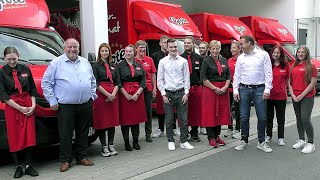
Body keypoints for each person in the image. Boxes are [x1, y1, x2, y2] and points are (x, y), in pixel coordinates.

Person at [41, 38, 97, 172]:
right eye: (69, 47)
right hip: (66, 106)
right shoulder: (56, 63)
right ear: (64, 48)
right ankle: (65, 160)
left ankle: (81, 157)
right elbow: (46, 83)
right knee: (65, 134)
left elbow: (92, 80)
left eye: (75, 47)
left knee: (83, 132)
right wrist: (52, 101)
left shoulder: (85, 62)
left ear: (79, 48)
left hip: (85, 104)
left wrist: (92, 95)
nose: (72, 49)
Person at [0, 47, 39, 178]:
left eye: (14, 58)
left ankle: (28, 165)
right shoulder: (2, 73)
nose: (12, 61)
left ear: (18, 56)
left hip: (28, 104)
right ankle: (18, 166)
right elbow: (4, 96)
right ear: (4, 58)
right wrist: (20, 108)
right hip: (13, 107)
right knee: (14, 136)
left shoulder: (26, 69)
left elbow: (32, 89)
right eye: (9, 59)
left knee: (29, 136)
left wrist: (33, 105)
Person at [233, 35, 273, 153]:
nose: (240, 46)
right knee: (244, 117)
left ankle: (261, 142)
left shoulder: (263, 55)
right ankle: (244, 140)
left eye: (242, 44)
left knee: (262, 117)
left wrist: (267, 89)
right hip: (244, 89)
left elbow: (268, 73)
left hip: (259, 89)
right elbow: (237, 75)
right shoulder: (241, 57)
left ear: (249, 43)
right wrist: (235, 90)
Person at [157, 38, 193, 151]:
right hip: (168, 94)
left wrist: (186, 93)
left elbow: (187, 78)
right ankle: (171, 140)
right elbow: (160, 80)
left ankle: (184, 141)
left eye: (175, 47)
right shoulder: (162, 62)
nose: (173, 49)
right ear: (167, 48)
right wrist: (163, 94)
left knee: (183, 119)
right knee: (169, 119)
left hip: (181, 92)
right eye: (171, 47)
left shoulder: (183, 61)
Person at [200, 40, 231, 148]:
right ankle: (211, 137)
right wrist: (214, 88)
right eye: (213, 49)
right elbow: (203, 78)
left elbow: (228, 76)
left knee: (220, 113)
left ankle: (217, 136)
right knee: (210, 113)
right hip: (210, 90)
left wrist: (225, 87)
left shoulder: (224, 60)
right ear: (210, 49)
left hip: (223, 89)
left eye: (217, 48)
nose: (215, 51)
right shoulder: (206, 61)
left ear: (220, 49)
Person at [92, 43, 120, 157]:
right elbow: (95, 83)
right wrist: (107, 94)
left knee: (112, 122)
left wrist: (113, 94)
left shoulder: (114, 65)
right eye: (102, 51)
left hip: (113, 95)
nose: (104, 53)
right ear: (99, 52)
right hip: (101, 95)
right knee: (103, 122)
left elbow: (118, 82)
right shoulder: (96, 66)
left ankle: (111, 145)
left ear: (109, 52)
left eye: (106, 51)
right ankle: (104, 147)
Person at [117, 44, 147, 151]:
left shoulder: (139, 65)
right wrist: (125, 94)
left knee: (136, 120)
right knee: (125, 120)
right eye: (126, 51)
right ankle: (126, 142)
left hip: (137, 94)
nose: (128, 53)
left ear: (134, 52)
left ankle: (135, 141)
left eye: (130, 51)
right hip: (124, 94)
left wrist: (137, 94)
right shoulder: (119, 65)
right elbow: (118, 82)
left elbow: (143, 81)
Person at [289, 45, 317, 154]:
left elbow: (313, 83)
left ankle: (310, 143)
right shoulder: (293, 66)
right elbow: (290, 83)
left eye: (303, 52)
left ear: (307, 53)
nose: (300, 54)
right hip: (295, 97)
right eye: (299, 52)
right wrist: (292, 94)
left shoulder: (311, 67)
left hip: (307, 97)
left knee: (305, 119)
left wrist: (301, 95)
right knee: (299, 118)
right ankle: (301, 139)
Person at [151, 35, 180, 138]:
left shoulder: (175, 55)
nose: (165, 44)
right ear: (160, 43)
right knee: (160, 107)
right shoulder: (155, 56)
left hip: (172, 84)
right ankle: (160, 129)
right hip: (162, 84)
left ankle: (174, 128)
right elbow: (154, 72)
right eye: (164, 42)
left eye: (167, 42)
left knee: (174, 107)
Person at [265, 45, 290, 146]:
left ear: (281, 54)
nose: (276, 54)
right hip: (269, 96)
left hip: (281, 96)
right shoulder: (268, 64)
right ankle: (269, 135)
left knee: (281, 118)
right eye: (274, 52)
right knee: (269, 117)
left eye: (278, 53)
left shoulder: (285, 65)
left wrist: (292, 92)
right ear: (272, 53)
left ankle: (281, 137)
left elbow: (288, 80)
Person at [180, 36, 203, 142]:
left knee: (196, 111)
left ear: (193, 44)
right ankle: (185, 132)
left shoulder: (199, 58)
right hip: (184, 89)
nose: (186, 45)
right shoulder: (180, 58)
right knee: (184, 111)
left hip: (196, 88)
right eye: (185, 43)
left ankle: (195, 132)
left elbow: (202, 75)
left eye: (188, 43)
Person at [135, 40, 157, 142]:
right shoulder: (133, 60)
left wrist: (154, 88)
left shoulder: (149, 60)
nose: (142, 50)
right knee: (137, 112)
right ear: (136, 49)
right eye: (140, 47)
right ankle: (136, 135)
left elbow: (153, 74)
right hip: (136, 89)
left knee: (149, 112)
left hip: (148, 88)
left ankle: (148, 133)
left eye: (144, 48)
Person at [225, 41, 241, 139]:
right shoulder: (229, 60)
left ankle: (238, 129)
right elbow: (227, 73)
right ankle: (230, 127)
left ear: (239, 49)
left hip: (238, 89)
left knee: (238, 110)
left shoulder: (242, 59)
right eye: (231, 48)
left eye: (234, 48)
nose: (232, 50)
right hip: (229, 88)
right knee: (228, 109)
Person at [198, 41, 209, 135]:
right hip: (198, 85)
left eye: (203, 48)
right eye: (200, 48)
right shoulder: (196, 58)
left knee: (205, 107)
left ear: (207, 49)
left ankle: (203, 126)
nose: (201, 49)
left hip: (207, 85)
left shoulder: (210, 59)